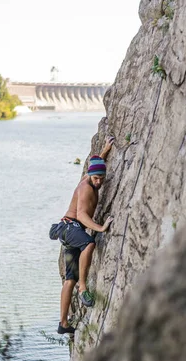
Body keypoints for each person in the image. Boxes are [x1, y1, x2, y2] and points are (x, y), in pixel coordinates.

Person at [52, 137, 115, 334]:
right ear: (90, 178)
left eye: (101, 179)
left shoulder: (88, 177)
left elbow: (94, 164)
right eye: (96, 178)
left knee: (69, 278)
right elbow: (81, 216)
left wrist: (104, 151)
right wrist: (101, 228)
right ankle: (83, 288)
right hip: (71, 228)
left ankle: (63, 324)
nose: (98, 182)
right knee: (89, 244)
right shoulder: (86, 189)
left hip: (68, 231)